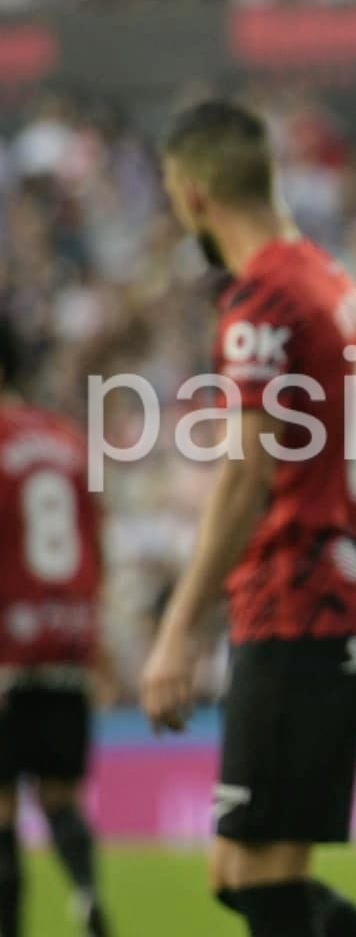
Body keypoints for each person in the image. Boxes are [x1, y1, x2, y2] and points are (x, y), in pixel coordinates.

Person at [140, 100, 356, 937]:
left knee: (258, 876)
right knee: (236, 871)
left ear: (193, 194)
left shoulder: (265, 298)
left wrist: (178, 627)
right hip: (338, 595)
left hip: (298, 601)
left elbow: (246, 470)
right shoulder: (331, 281)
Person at [0, 317, 111, 937]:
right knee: (62, 799)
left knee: (2, 811)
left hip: (6, 653)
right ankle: (88, 898)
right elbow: (97, 543)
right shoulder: (68, 441)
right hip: (68, 646)